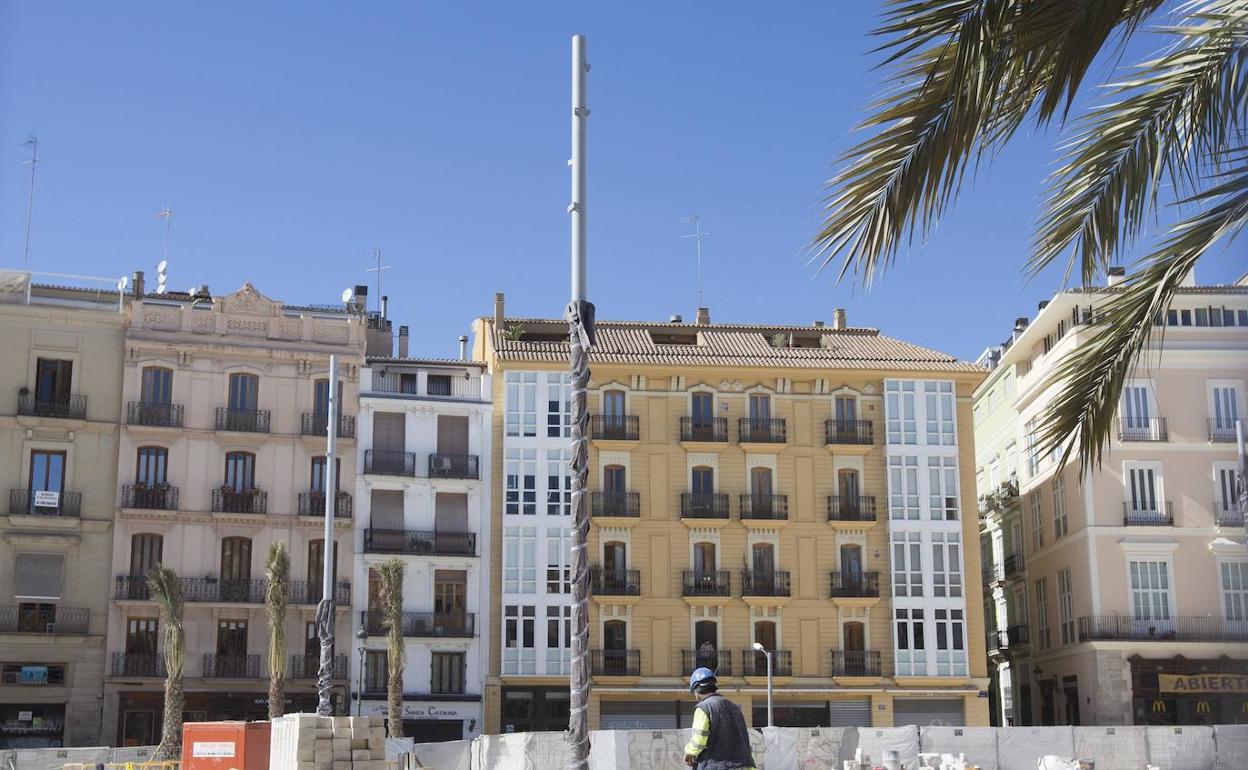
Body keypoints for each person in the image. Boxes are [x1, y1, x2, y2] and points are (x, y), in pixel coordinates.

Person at [682, 667, 756, 769]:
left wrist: (689, 752)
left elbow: (699, 740)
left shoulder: (704, 708)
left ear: (696, 690)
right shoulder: (735, 708)